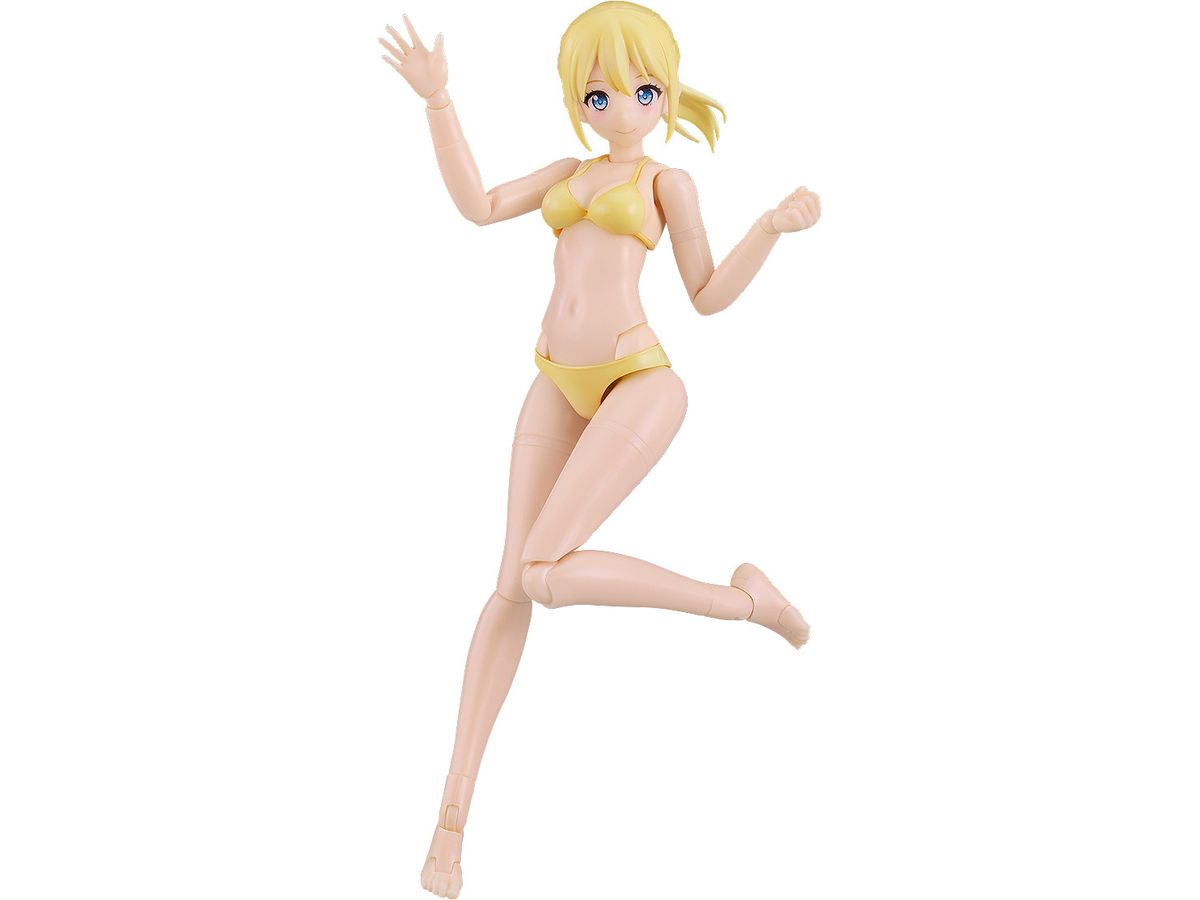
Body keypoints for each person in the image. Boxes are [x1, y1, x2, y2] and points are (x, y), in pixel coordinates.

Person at [380, 3, 821, 896]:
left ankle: (742, 603)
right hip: (555, 379)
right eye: (599, 93)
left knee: (543, 574)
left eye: (643, 90)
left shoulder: (667, 183)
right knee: (512, 584)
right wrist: (438, 101)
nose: (622, 107)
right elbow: (477, 206)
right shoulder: (567, 172)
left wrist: (769, 230)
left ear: (665, 95)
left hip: (640, 380)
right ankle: (451, 818)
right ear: (578, 100)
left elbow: (706, 295)